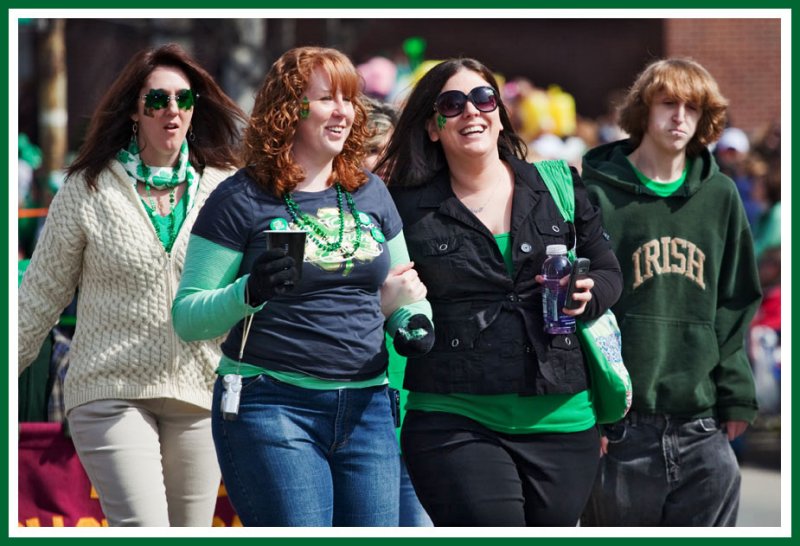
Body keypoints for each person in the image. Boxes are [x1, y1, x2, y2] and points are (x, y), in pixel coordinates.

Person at [171, 46, 433, 527]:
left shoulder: (370, 191)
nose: (343, 112)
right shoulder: (241, 197)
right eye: (327, 98)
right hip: (271, 404)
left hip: (368, 404)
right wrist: (249, 290)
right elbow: (187, 317)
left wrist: (413, 323)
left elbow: (405, 288)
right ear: (290, 109)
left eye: (349, 99)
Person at [376, 58, 623, 526]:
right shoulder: (403, 207)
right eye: (452, 104)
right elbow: (378, 289)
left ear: (499, 112)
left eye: (483, 98)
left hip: (565, 420)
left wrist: (590, 294)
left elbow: (610, 271)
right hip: (455, 419)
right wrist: (390, 302)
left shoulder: (559, 186)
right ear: (433, 127)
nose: (471, 111)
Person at [17, 43, 246, 526]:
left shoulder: (226, 188)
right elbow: (38, 298)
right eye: (156, 99)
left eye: (183, 100)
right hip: (110, 388)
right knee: (144, 528)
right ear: (133, 111)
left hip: (200, 390)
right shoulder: (87, 188)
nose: (171, 110)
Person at [579, 58, 761, 526]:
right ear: (644, 109)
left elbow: (735, 299)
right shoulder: (597, 193)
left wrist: (736, 391)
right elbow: (579, 309)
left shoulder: (719, 195)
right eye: (668, 103)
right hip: (619, 423)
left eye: (693, 108)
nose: (680, 117)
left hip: (701, 422)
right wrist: (589, 407)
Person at [364, 97, 433, 527]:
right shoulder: (332, 224)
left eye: (391, 151)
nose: (383, 163)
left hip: (416, 418)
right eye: (371, 150)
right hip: (359, 416)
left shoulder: (424, 220)